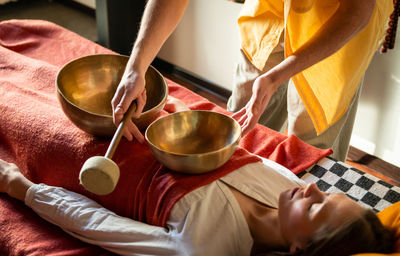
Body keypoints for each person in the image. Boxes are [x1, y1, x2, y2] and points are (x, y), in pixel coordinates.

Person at [110, 0, 392, 162]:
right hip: (272, 10)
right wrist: (138, 66)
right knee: (238, 130)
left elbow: (357, 13)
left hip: (338, 19)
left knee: (308, 154)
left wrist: (277, 76)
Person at [0, 156, 394, 255]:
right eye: (324, 193)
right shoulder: (286, 184)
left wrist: (20, 187)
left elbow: (96, 225)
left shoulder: (206, 246)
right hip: (133, 120)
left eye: (314, 209)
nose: (310, 191)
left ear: (298, 249)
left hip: (94, 167)